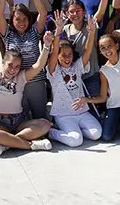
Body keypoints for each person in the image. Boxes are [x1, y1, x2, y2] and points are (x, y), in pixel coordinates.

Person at [0, 20, 53, 156]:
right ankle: (31, 145)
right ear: (3, 62)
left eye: (17, 67)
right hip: (0, 122)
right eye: (10, 65)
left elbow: (38, 66)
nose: (13, 70)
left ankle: (6, 143)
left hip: (19, 122)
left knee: (45, 125)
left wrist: (46, 46)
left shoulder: (21, 77)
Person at [0, 0, 49, 120]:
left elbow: (43, 13)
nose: (21, 22)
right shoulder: (7, 34)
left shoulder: (34, 31)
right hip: (15, 82)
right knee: (20, 119)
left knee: (40, 118)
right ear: (12, 20)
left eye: (25, 19)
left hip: (36, 81)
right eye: (17, 19)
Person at [79, 30, 120, 142]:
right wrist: (86, 99)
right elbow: (103, 97)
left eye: (109, 46)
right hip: (114, 106)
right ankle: (118, 121)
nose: (107, 50)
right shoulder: (103, 71)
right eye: (103, 48)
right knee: (106, 137)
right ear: (100, 51)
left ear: (117, 46)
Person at [47, 14, 102, 147]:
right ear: (58, 56)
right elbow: (54, 53)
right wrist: (58, 30)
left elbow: (88, 51)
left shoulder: (77, 66)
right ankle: (51, 132)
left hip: (82, 111)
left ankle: (75, 130)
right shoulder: (53, 70)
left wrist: (91, 32)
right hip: (63, 114)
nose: (67, 58)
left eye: (69, 55)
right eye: (63, 55)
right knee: (75, 141)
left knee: (96, 134)